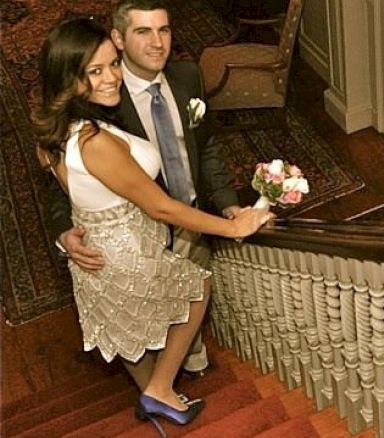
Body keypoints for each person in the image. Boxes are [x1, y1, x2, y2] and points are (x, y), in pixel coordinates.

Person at [33, 18, 269, 434]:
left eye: (112, 65)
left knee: (128, 330)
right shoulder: (96, 141)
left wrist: (69, 231)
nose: (112, 79)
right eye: (95, 71)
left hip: (97, 255)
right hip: (127, 251)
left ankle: (153, 399)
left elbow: (76, 190)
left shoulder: (51, 136)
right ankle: (160, 390)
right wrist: (234, 227)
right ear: (70, 79)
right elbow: (161, 208)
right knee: (197, 288)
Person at [47, 0, 238, 374]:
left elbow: (208, 144)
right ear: (118, 38)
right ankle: (162, 384)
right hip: (142, 233)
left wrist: (228, 202)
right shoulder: (102, 103)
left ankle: (190, 366)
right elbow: (63, 175)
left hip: (193, 214)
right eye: (142, 32)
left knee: (192, 294)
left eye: (164, 30)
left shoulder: (187, 77)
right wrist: (63, 233)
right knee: (146, 318)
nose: (157, 43)